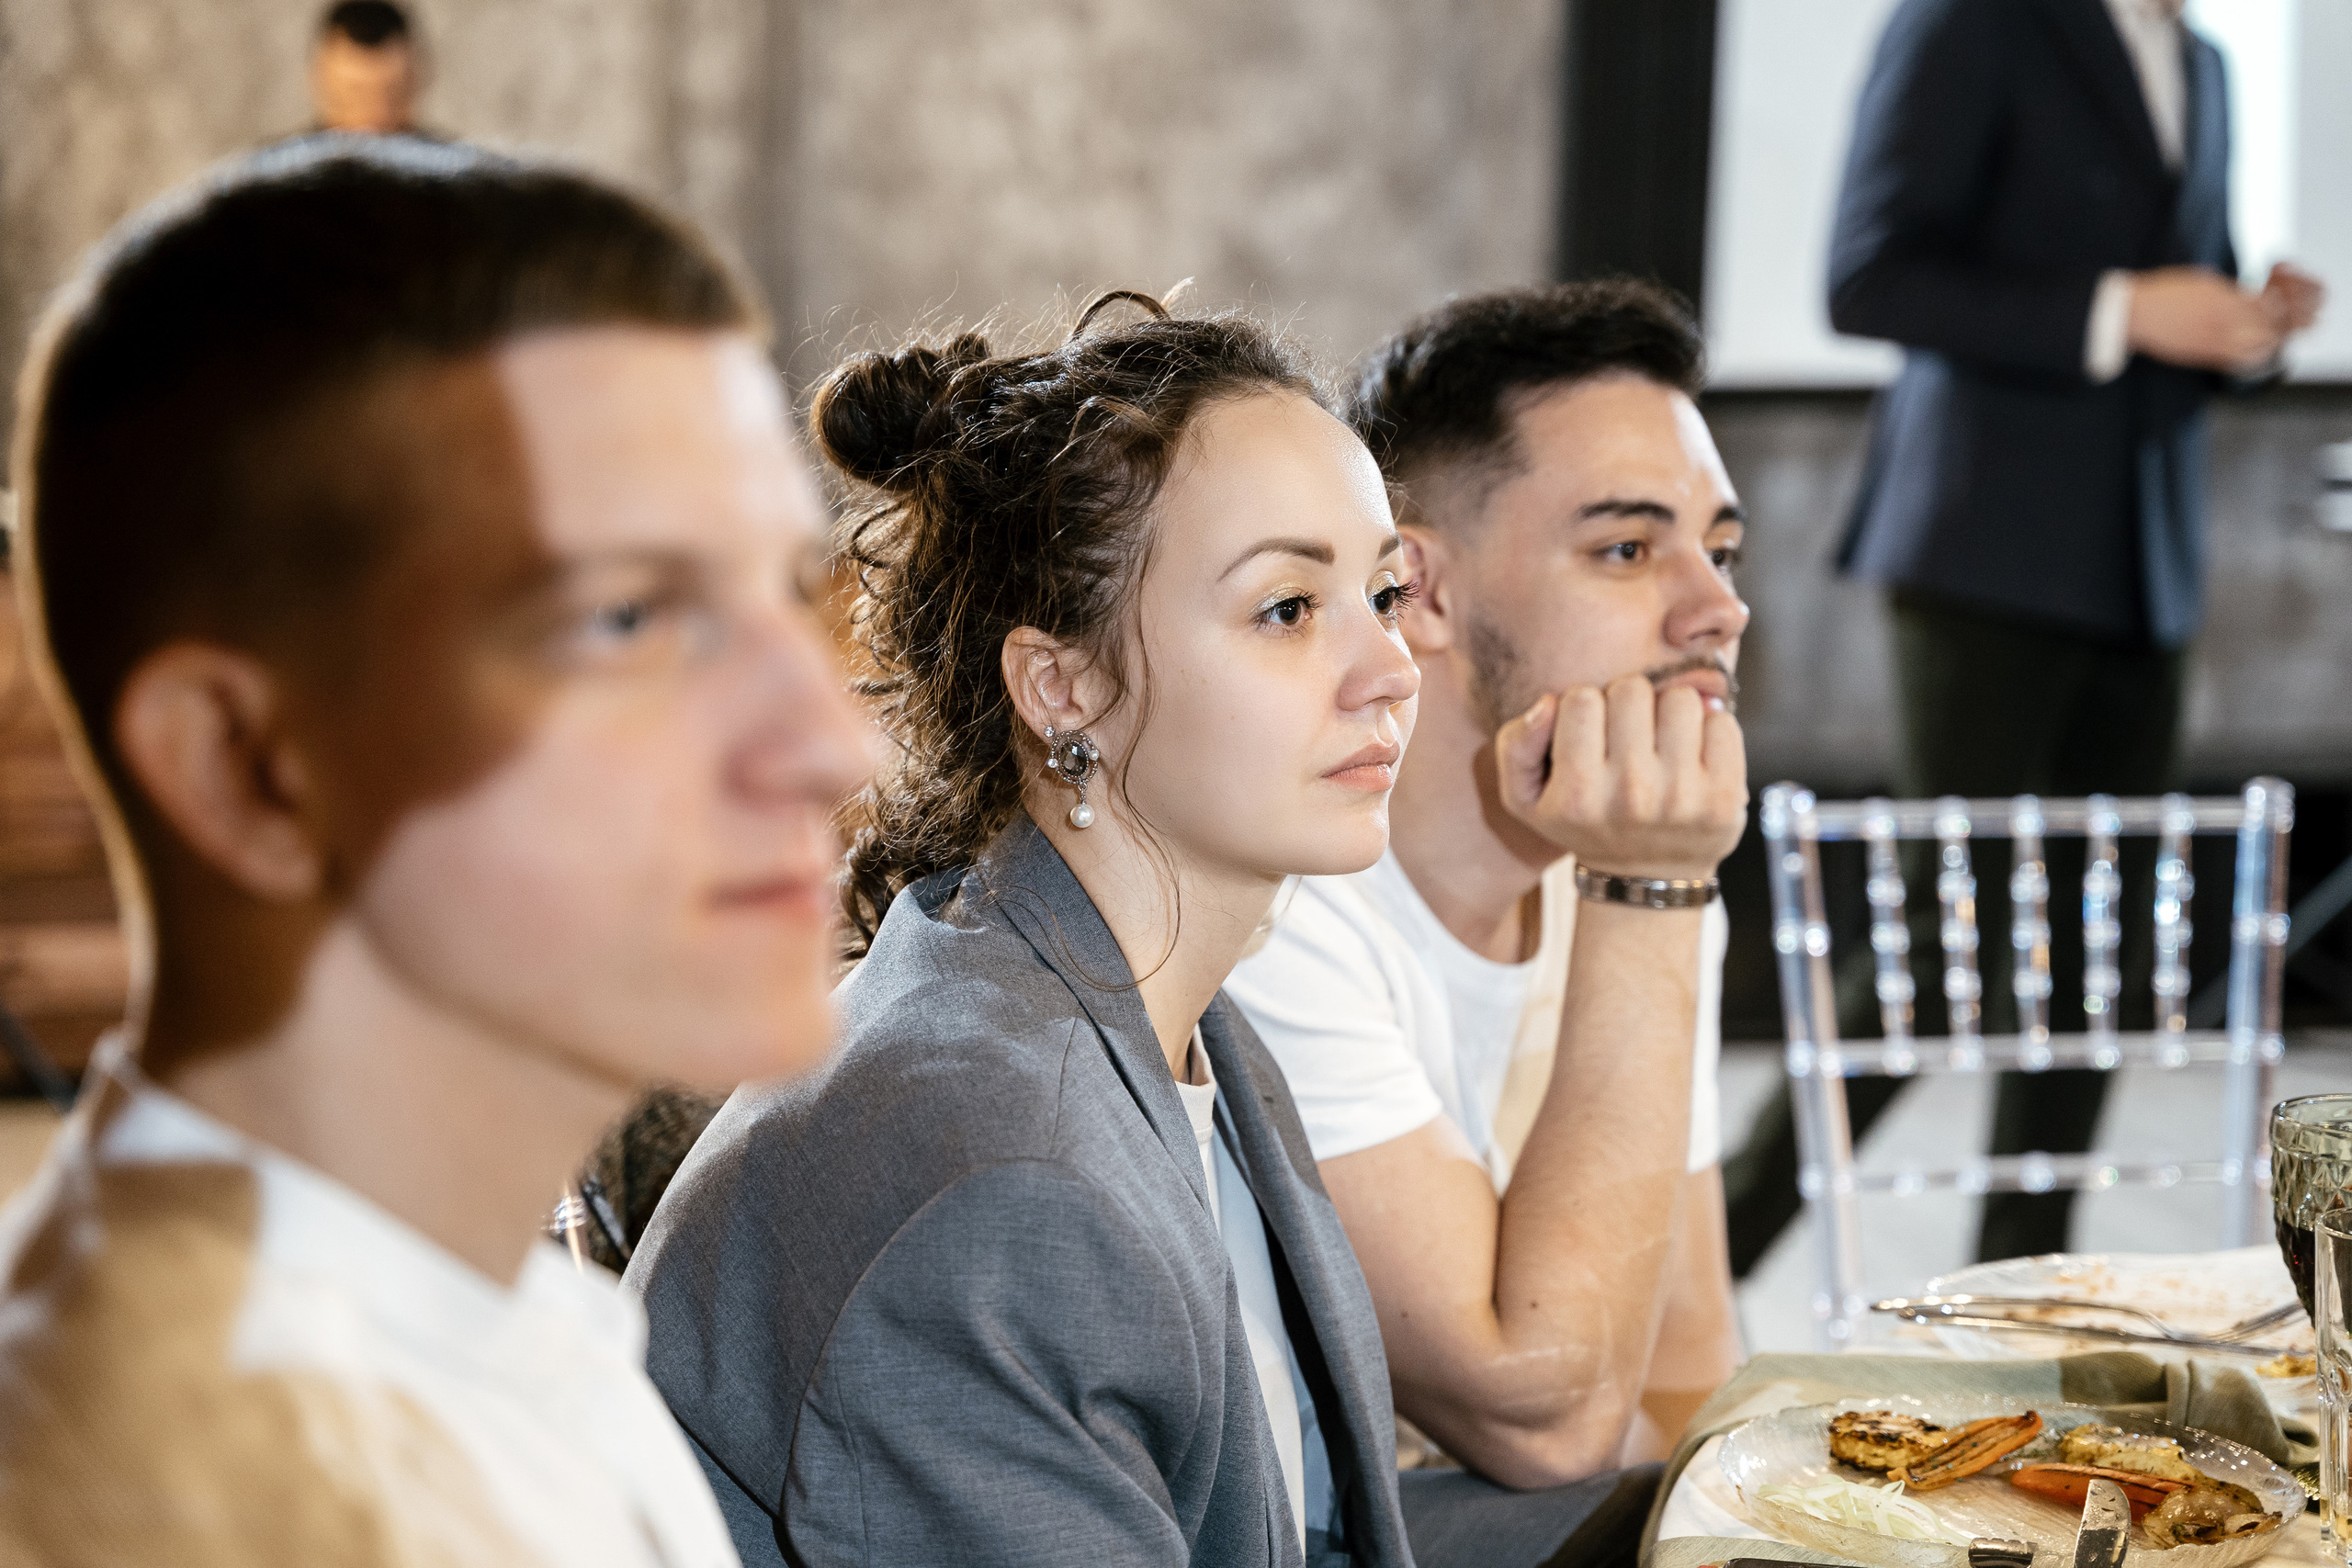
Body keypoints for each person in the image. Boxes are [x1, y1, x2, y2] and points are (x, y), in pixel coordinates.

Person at [0, 137, 866, 1563]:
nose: (834, 744)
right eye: (628, 617)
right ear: (245, 768)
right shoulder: (180, 1499)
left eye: (787, 591)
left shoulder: (472, 1322)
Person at [629, 299, 1420, 1568]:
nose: (1391, 666)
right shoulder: (1003, 1176)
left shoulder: (1166, 1022)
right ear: (1063, 687)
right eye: (1287, 608)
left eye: (1383, 592)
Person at [1788, 0, 2328, 1265]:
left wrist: (2247, 330)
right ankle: (1715, 1236)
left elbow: (2185, 309)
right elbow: (1865, 278)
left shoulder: (2204, 62)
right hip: (1983, 550)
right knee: (1945, 932)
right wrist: (2122, 309)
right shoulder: (1971, 22)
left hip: (2143, 568)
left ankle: (2024, 1276)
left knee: (2105, 954)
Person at [1224, 281, 1750, 1553]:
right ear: (1421, 591)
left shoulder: (1626, 872)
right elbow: (1542, 1419)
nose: (1717, 609)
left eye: (1721, 550)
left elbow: (1688, 1368)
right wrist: (1651, 889)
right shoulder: (1282, 913)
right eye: (1627, 550)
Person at [311, 1, 427, 137]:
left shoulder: (445, 151)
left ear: (417, 79)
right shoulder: (293, 151)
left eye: (393, 97)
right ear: (319, 78)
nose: (375, 122)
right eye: (356, 97)